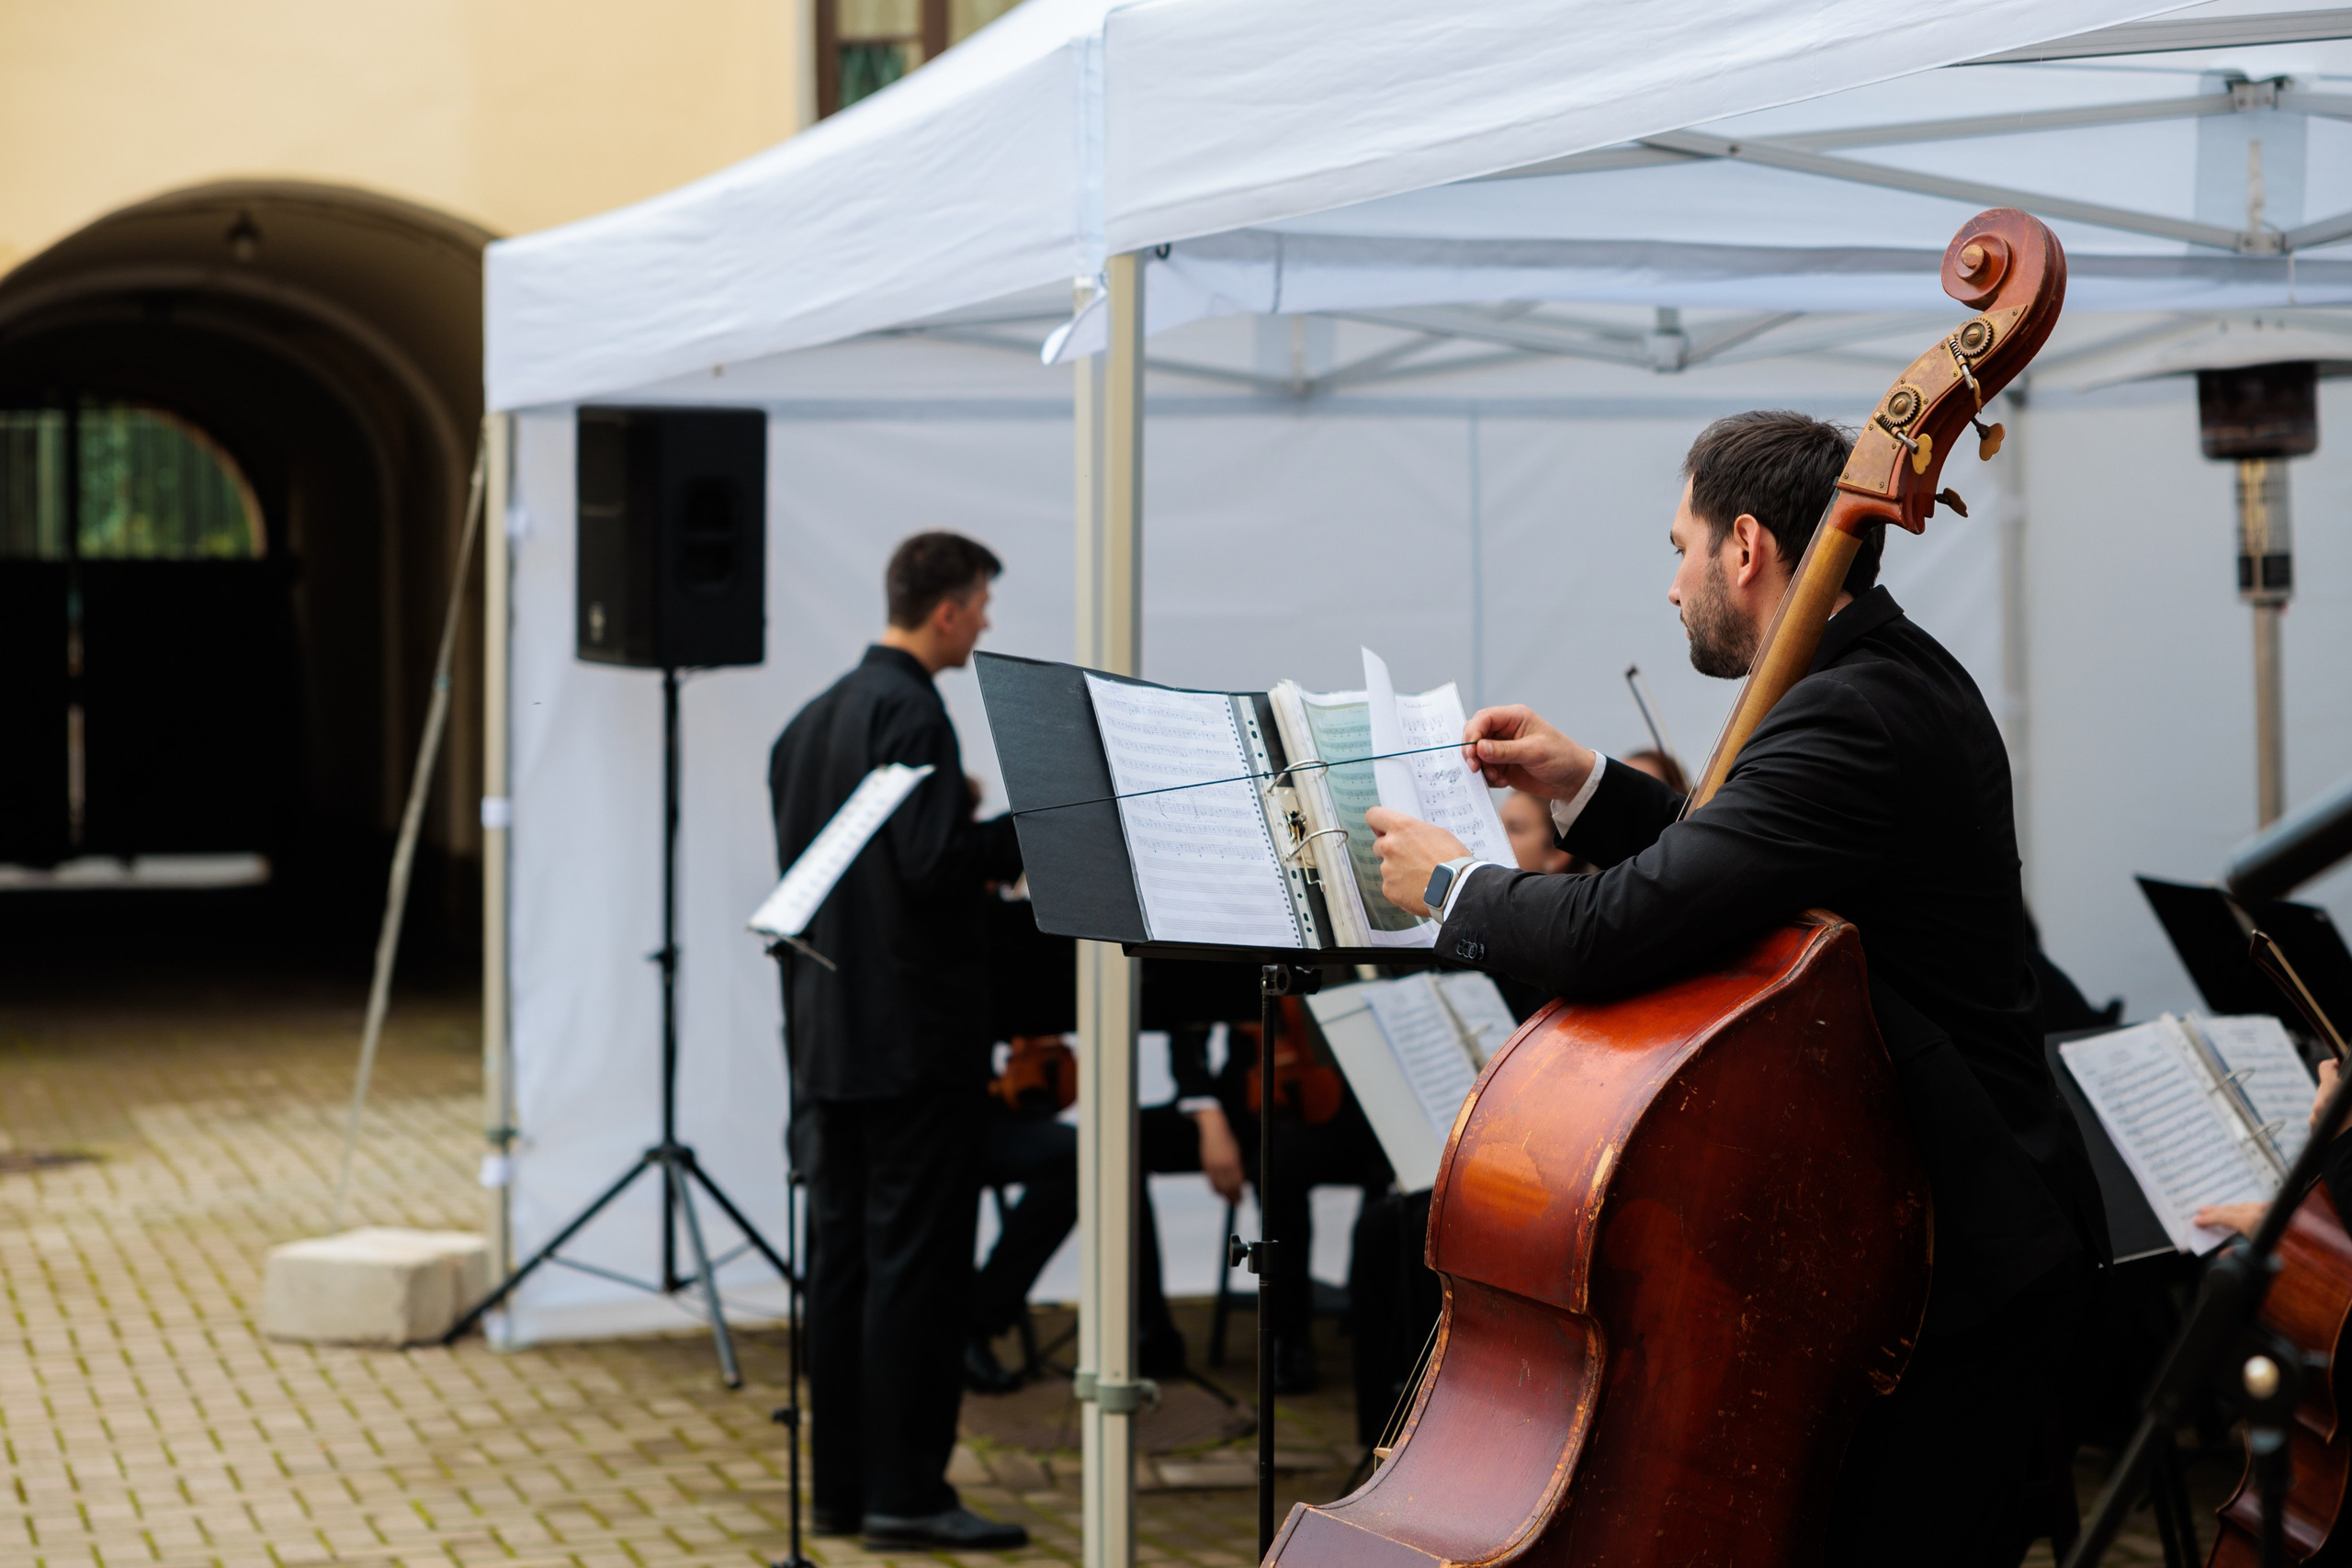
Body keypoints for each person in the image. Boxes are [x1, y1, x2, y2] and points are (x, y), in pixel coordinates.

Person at [1365, 410, 2106, 1567]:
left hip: (1947, 1260)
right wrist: (1588, 783)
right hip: (1908, 1241)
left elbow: (1620, 928)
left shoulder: (1847, 711)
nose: (1672, 585)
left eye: (1679, 546)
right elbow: (1753, 880)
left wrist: (1452, 891)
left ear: (1745, 546)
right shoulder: (1874, 675)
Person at [768, 531, 1027, 1553]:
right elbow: (929, 867)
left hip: (827, 1039)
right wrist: (1019, 834)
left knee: (841, 1271)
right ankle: (907, 1494)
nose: (986, 623)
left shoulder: (809, 722)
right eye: (982, 604)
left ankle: (840, 1491)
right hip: (913, 1047)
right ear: (950, 610)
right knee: (914, 1274)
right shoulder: (913, 711)